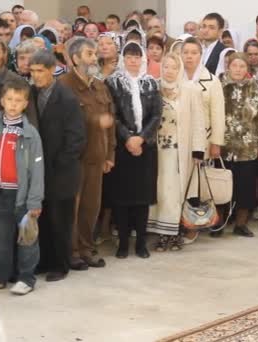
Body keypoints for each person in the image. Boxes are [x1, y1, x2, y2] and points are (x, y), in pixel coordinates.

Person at [0, 78, 43, 295]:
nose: (13, 104)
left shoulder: (31, 133)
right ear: (2, 101)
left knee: (27, 239)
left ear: (25, 104)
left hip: (22, 197)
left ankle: (26, 278)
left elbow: (38, 170)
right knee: (1, 240)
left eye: (18, 100)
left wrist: (35, 200)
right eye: (10, 99)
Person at [30, 50, 86, 282]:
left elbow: (77, 138)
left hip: (61, 171)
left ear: (52, 70)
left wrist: (60, 162)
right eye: (32, 72)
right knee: (43, 217)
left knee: (60, 220)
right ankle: (43, 261)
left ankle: (60, 265)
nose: (35, 76)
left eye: (40, 71)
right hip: (39, 168)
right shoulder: (31, 94)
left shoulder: (67, 98)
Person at [60, 38, 115, 270]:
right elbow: (64, 123)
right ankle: (70, 252)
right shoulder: (63, 85)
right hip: (72, 160)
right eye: (89, 54)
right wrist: (94, 121)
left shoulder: (100, 86)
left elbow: (110, 122)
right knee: (71, 208)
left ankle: (86, 248)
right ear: (74, 59)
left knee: (91, 208)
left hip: (96, 158)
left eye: (94, 53)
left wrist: (110, 154)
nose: (95, 58)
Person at [105, 41, 161, 259]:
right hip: (122, 146)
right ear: (123, 58)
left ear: (143, 59)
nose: (133, 60)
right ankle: (123, 243)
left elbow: (156, 115)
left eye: (137, 56)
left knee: (142, 198)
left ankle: (140, 243)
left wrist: (141, 138)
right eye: (129, 56)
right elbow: (113, 115)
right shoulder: (113, 82)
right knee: (122, 198)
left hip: (146, 148)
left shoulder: (151, 83)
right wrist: (128, 138)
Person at [147, 53, 205, 250]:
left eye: (173, 67)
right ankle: (161, 232)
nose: (169, 71)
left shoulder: (190, 90)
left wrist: (198, 150)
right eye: (166, 67)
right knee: (160, 191)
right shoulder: (153, 87)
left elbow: (198, 121)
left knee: (176, 192)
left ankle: (173, 232)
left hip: (180, 151)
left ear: (179, 69)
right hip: (157, 151)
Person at [214, 52, 258, 237]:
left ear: (247, 69)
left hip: (247, 148)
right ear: (228, 67)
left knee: (245, 188)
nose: (238, 70)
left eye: (242, 66)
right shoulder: (218, 86)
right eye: (234, 66)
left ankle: (240, 224)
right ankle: (218, 223)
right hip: (223, 147)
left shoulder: (255, 88)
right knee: (220, 187)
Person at [181, 37, 225, 239]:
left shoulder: (212, 80)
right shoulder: (175, 76)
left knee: (197, 185)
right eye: (186, 52)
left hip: (203, 140)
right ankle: (178, 223)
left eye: (194, 52)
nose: (189, 56)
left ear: (200, 55)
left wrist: (216, 142)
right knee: (180, 183)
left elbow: (218, 114)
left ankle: (193, 226)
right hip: (179, 141)